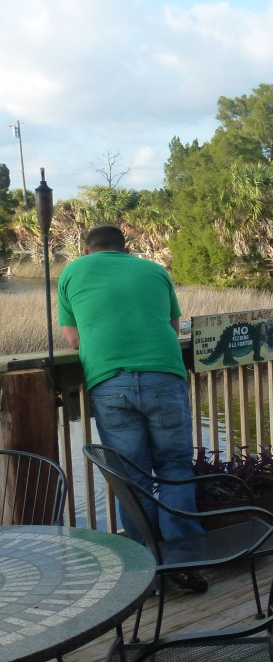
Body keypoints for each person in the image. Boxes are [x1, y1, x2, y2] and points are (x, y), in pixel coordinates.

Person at [57, 225, 207, 593]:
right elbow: (173, 327)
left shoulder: (72, 271)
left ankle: (146, 565)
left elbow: (73, 339)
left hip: (110, 381)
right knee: (175, 468)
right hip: (164, 376)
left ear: (88, 249)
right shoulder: (154, 270)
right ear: (125, 249)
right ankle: (185, 562)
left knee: (132, 477)